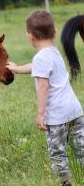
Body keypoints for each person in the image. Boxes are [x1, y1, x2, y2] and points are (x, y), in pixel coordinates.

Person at [6, 10, 84, 186]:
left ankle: (65, 183)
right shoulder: (54, 52)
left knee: (58, 154)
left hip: (56, 118)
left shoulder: (41, 57)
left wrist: (41, 114)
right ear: (55, 32)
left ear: (30, 37)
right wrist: (18, 69)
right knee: (82, 150)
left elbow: (43, 85)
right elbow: (37, 66)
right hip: (75, 111)